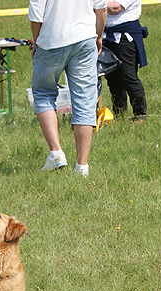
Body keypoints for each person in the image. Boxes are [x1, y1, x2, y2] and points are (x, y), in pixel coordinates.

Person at [29, 0, 107, 178]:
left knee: (43, 94)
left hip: (51, 40)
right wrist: (99, 36)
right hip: (85, 38)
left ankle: (56, 153)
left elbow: (36, 13)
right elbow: (101, 9)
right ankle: (82, 165)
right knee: (85, 100)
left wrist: (36, 41)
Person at [104, 0, 147, 121]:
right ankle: (119, 113)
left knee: (128, 77)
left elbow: (115, 8)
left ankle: (140, 115)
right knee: (112, 79)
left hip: (124, 37)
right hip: (105, 34)